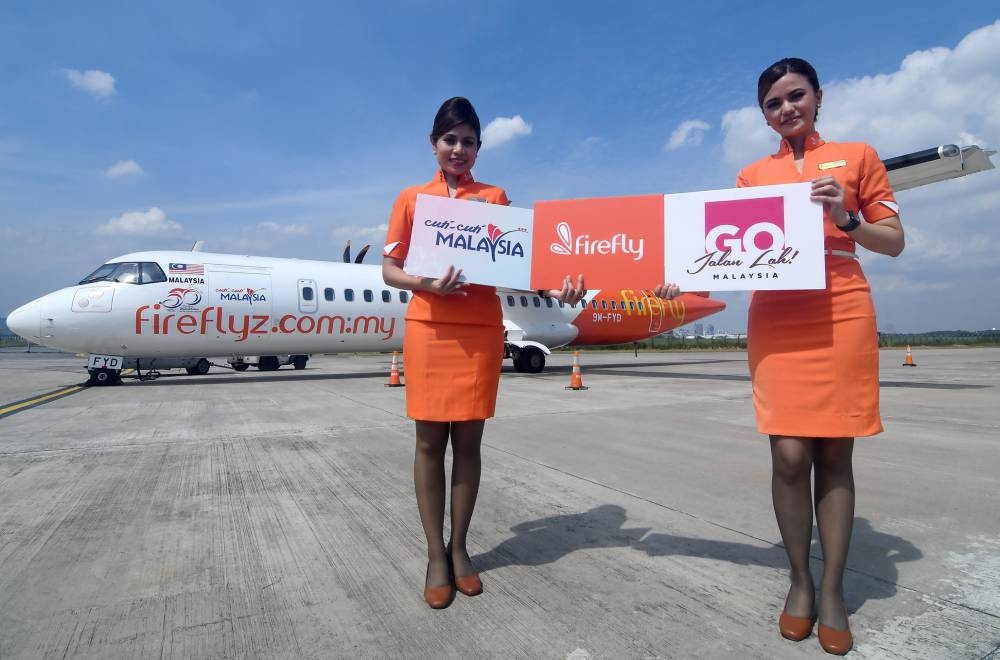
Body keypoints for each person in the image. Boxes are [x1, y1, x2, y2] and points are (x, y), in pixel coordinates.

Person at [382, 97, 586, 609]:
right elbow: (390, 270)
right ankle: (435, 554)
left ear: (478, 148)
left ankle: (461, 549)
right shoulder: (410, 199)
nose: (459, 149)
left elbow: (518, 264)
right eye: (450, 139)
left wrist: (557, 289)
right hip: (430, 327)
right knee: (430, 443)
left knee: (469, 443)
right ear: (434, 144)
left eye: (468, 141)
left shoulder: (494, 198)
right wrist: (428, 282)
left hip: (478, 330)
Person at [735, 58, 905, 654]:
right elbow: (722, 246)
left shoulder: (859, 156)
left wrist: (847, 217)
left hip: (841, 303)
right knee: (787, 455)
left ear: (818, 97)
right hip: (778, 313)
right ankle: (799, 580)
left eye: (796, 96)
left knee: (835, 452)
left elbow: (894, 241)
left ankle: (831, 589)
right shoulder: (751, 174)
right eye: (774, 103)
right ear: (764, 115)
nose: (787, 109)